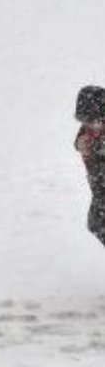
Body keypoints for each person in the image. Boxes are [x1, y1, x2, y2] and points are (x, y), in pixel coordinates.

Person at [74, 85, 105, 247]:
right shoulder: (89, 130)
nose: (88, 126)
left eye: (92, 121)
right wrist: (80, 144)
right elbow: (80, 139)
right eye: (84, 121)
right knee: (95, 225)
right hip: (99, 190)